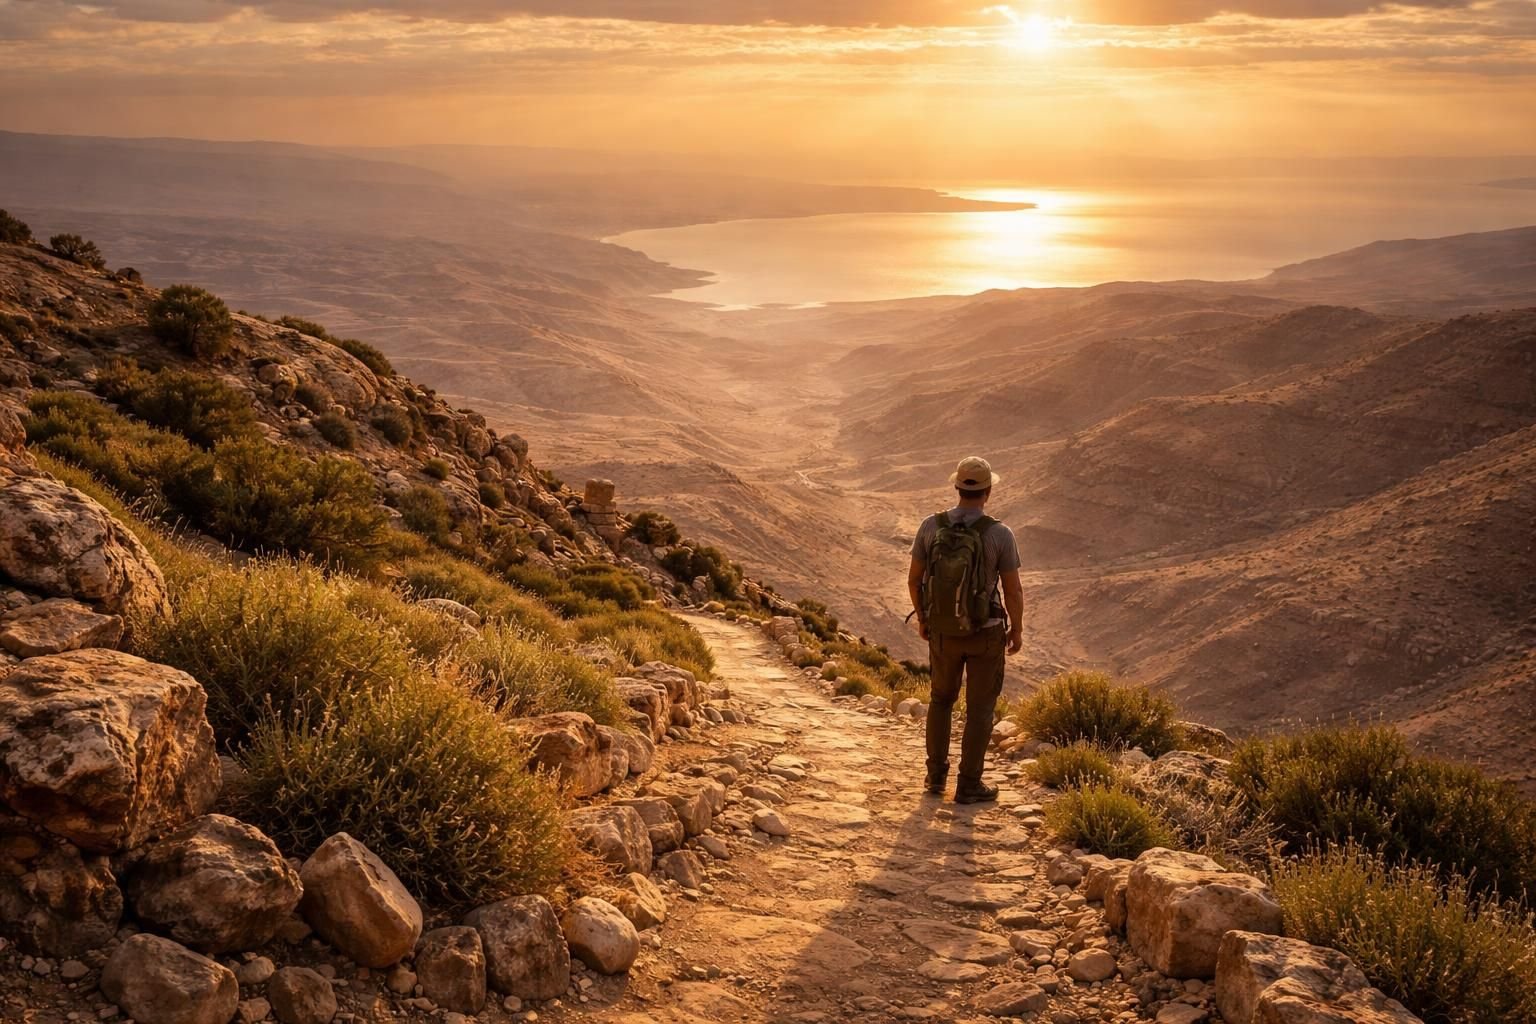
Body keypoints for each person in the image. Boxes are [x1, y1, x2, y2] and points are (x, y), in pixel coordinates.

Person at [907, 456, 1023, 804]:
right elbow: (1013, 589)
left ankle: (935, 777)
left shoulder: (931, 526)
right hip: (986, 633)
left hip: (944, 632)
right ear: (988, 492)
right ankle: (969, 784)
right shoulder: (999, 534)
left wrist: (924, 619)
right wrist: (1017, 629)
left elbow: (914, 579)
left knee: (941, 700)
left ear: (957, 487)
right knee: (980, 709)